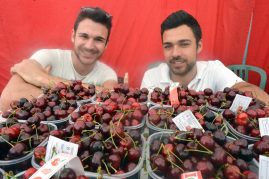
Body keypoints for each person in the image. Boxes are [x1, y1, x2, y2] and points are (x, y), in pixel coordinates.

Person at [141, 10, 269, 105]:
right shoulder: (152, 77)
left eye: (184, 44)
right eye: (168, 46)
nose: (175, 53)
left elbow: (245, 88)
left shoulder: (213, 70)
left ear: (199, 46)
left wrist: (251, 98)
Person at [0, 7, 117, 111]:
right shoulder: (46, 56)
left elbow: (111, 98)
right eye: (84, 36)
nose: (89, 46)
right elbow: (6, 101)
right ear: (73, 36)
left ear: (106, 44)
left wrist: (43, 79)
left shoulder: (108, 73)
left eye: (98, 39)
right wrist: (89, 97)